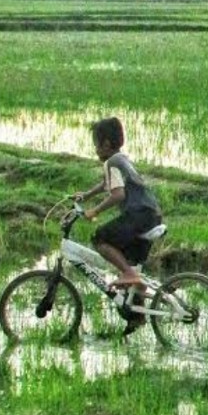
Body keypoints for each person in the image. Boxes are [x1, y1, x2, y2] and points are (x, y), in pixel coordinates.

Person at [76, 117, 162, 291]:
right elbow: (106, 183)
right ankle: (137, 312)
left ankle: (130, 275)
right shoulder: (122, 159)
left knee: (100, 238)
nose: (95, 149)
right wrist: (86, 195)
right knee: (128, 269)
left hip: (139, 215)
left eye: (96, 144)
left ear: (105, 144)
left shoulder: (112, 162)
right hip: (151, 215)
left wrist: (95, 211)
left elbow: (118, 194)